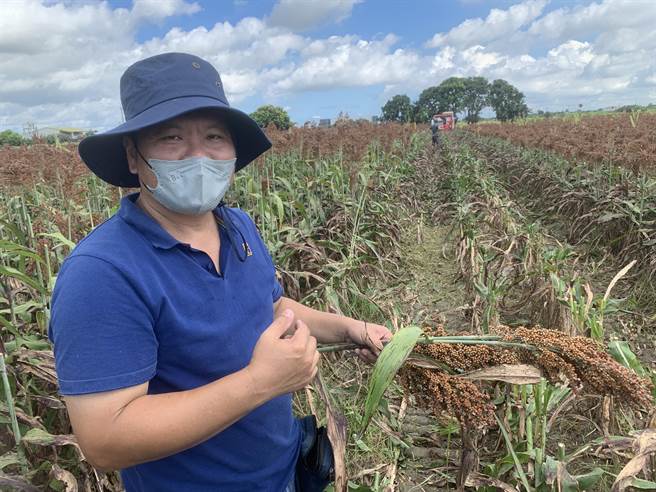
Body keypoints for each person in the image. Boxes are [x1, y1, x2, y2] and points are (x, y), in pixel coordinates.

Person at [48, 52, 392, 492]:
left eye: (214, 136)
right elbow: (105, 439)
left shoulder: (237, 225)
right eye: (171, 138)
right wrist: (258, 384)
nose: (198, 154)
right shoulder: (102, 273)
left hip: (284, 473)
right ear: (133, 156)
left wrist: (350, 329)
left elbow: (269, 307)